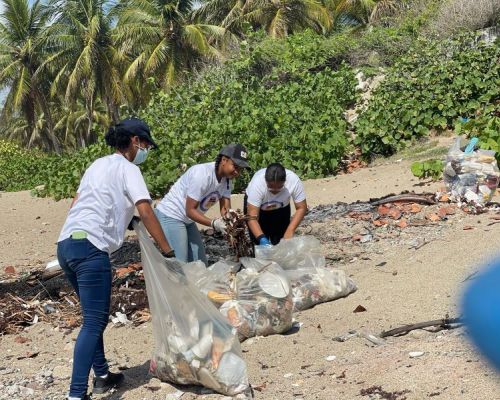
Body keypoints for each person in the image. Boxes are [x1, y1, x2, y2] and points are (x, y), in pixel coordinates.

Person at [57, 117, 174, 400]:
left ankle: (103, 375)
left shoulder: (97, 165)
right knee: (95, 322)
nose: (146, 149)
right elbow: (146, 211)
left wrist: (124, 219)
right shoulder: (128, 168)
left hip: (66, 245)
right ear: (135, 141)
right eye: (146, 143)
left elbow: (79, 203)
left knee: (91, 318)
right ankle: (75, 395)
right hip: (91, 250)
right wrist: (167, 250)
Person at [155, 143, 249, 265]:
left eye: (240, 169)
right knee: (178, 264)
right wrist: (214, 223)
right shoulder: (202, 175)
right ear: (224, 160)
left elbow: (225, 209)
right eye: (235, 166)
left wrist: (233, 224)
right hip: (171, 216)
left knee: (200, 264)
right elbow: (190, 210)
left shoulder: (227, 181)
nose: (237, 172)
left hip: (188, 220)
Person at [244, 162, 307, 246]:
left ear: (285, 181)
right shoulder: (257, 184)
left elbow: (301, 208)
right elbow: (252, 218)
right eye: (270, 187)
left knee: (281, 243)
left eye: (279, 188)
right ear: (265, 181)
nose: (275, 191)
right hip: (259, 210)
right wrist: (261, 238)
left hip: (281, 208)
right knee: (259, 244)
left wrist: (290, 230)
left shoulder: (293, 181)